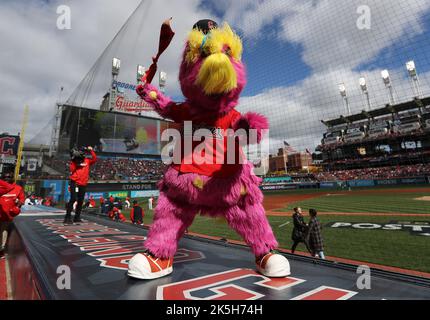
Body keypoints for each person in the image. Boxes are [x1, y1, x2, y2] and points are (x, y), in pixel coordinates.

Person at [63, 146, 97, 224]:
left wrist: (91, 151)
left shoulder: (87, 161)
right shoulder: (74, 161)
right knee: (73, 199)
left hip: (83, 184)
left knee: (81, 201)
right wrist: (75, 161)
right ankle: (67, 217)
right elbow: (72, 169)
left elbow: (94, 159)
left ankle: (77, 217)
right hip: (75, 183)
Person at [0, 173, 25, 254]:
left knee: (3, 230)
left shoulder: (17, 188)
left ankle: (2, 248)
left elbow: (21, 200)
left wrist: (17, 207)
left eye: (9, 177)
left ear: (13, 178)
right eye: (5, 177)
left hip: (7, 215)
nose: (7, 178)